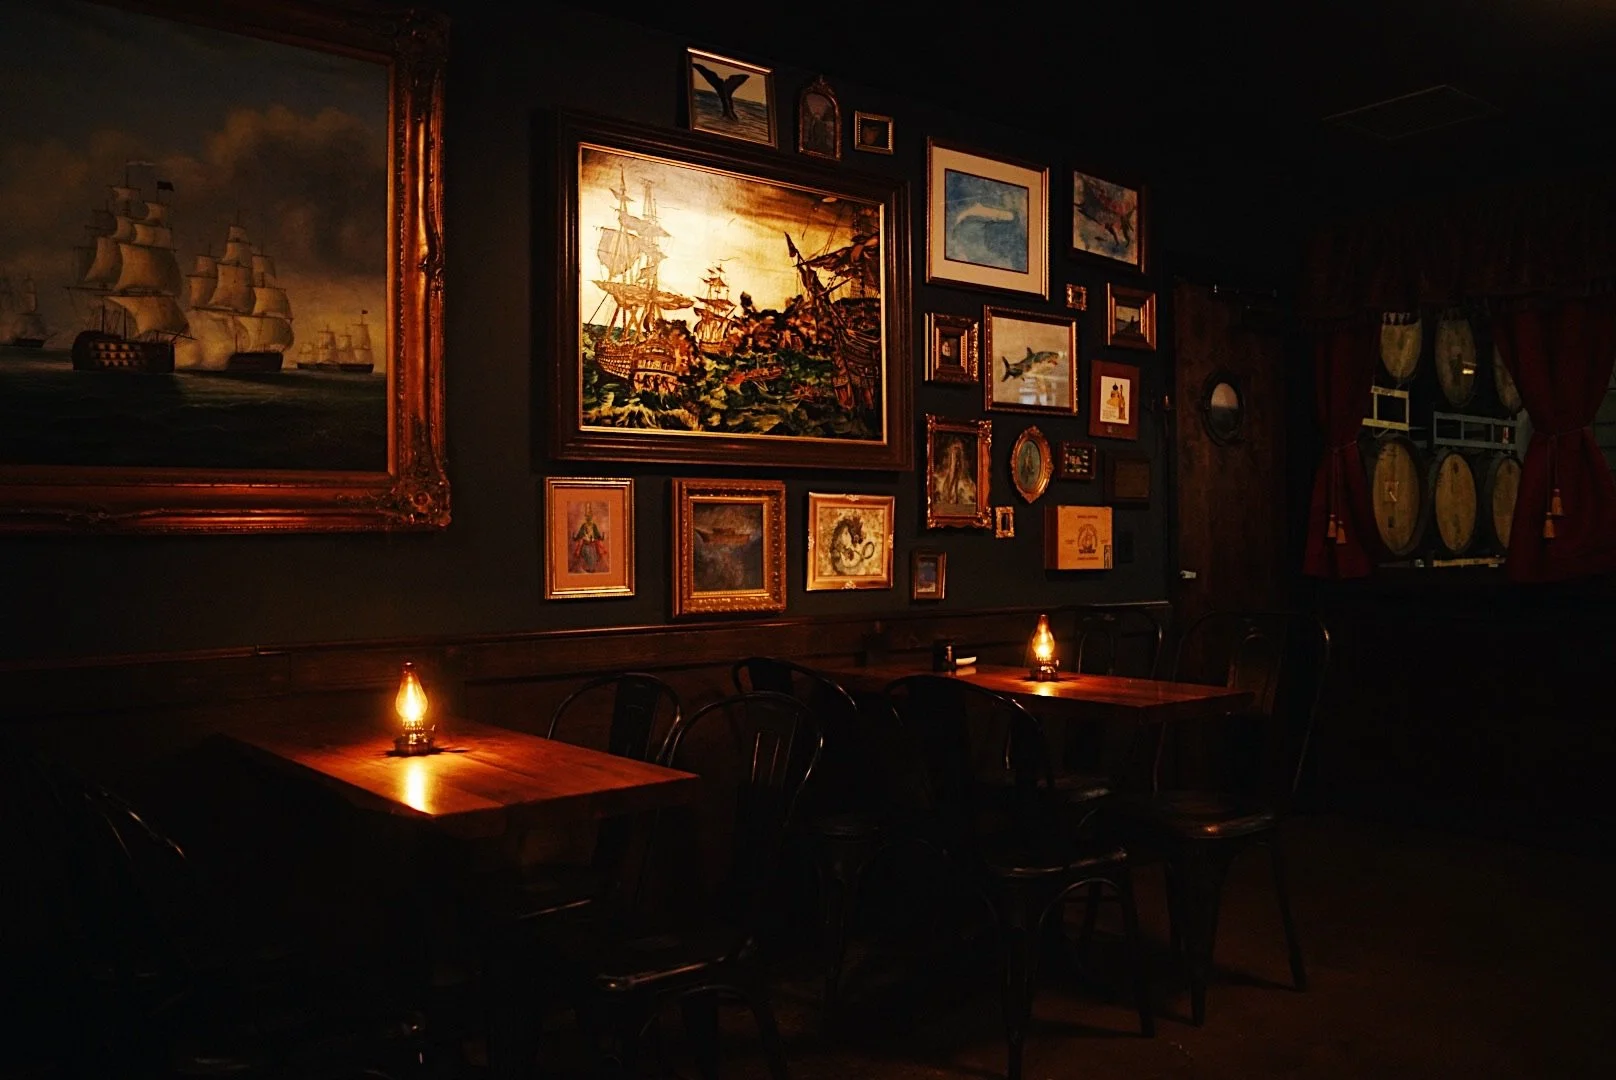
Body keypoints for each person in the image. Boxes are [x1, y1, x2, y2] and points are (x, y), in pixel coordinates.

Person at [933, 436, 976, 508]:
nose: (956, 459)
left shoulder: (968, 483)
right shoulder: (938, 480)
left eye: (958, 454)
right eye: (953, 454)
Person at [570, 503, 607, 574]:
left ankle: (591, 569)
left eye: (589, 517)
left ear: (591, 517)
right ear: (586, 518)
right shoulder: (584, 526)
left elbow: (597, 535)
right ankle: (588, 568)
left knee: (593, 555)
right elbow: (579, 535)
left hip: (592, 545)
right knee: (586, 553)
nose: (588, 518)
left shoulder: (594, 526)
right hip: (585, 545)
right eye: (587, 517)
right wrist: (575, 537)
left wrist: (602, 537)